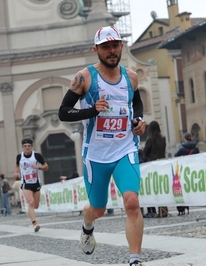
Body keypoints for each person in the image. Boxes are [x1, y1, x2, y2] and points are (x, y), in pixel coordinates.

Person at [58, 26, 146, 266]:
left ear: (121, 46)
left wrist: (139, 121)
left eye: (115, 45)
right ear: (96, 49)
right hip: (96, 155)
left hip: (124, 149)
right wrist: (91, 110)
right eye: (106, 47)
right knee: (97, 208)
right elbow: (63, 113)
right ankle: (87, 228)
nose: (111, 51)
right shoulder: (85, 77)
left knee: (132, 202)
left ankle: (134, 259)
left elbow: (136, 103)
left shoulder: (131, 76)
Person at [13, 137, 49, 232]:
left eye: (29, 146)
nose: (27, 148)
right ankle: (34, 223)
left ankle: (30, 211)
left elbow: (46, 166)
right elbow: (17, 165)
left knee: (36, 205)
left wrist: (38, 167)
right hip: (26, 183)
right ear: (23, 147)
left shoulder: (36, 156)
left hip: (36, 183)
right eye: (25, 146)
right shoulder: (19, 157)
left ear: (31, 147)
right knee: (31, 202)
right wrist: (16, 172)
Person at [143, 121, 167, 218]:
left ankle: (159, 210)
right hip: (162, 163)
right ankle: (164, 209)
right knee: (162, 187)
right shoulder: (163, 139)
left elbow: (145, 152)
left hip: (153, 165)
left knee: (155, 188)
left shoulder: (150, 140)